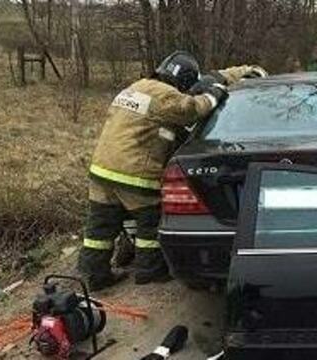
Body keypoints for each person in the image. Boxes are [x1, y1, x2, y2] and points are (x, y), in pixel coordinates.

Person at [78, 51, 267, 291]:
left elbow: (217, 76)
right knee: (150, 221)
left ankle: (94, 275)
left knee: (99, 228)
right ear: (184, 80)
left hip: (102, 170)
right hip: (134, 172)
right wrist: (214, 94)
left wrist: (243, 71)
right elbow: (193, 108)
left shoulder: (135, 88)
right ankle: (150, 271)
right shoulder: (165, 95)